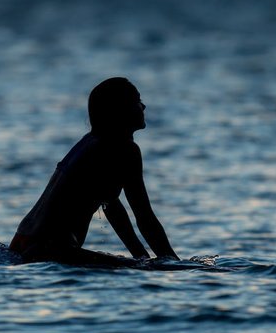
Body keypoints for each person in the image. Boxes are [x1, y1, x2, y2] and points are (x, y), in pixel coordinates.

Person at [10, 77, 179, 266]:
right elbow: (145, 217)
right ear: (120, 111)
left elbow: (111, 205)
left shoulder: (91, 143)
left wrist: (141, 257)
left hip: (20, 242)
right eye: (137, 101)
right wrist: (174, 264)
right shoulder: (125, 149)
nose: (143, 106)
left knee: (139, 266)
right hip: (49, 249)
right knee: (151, 267)